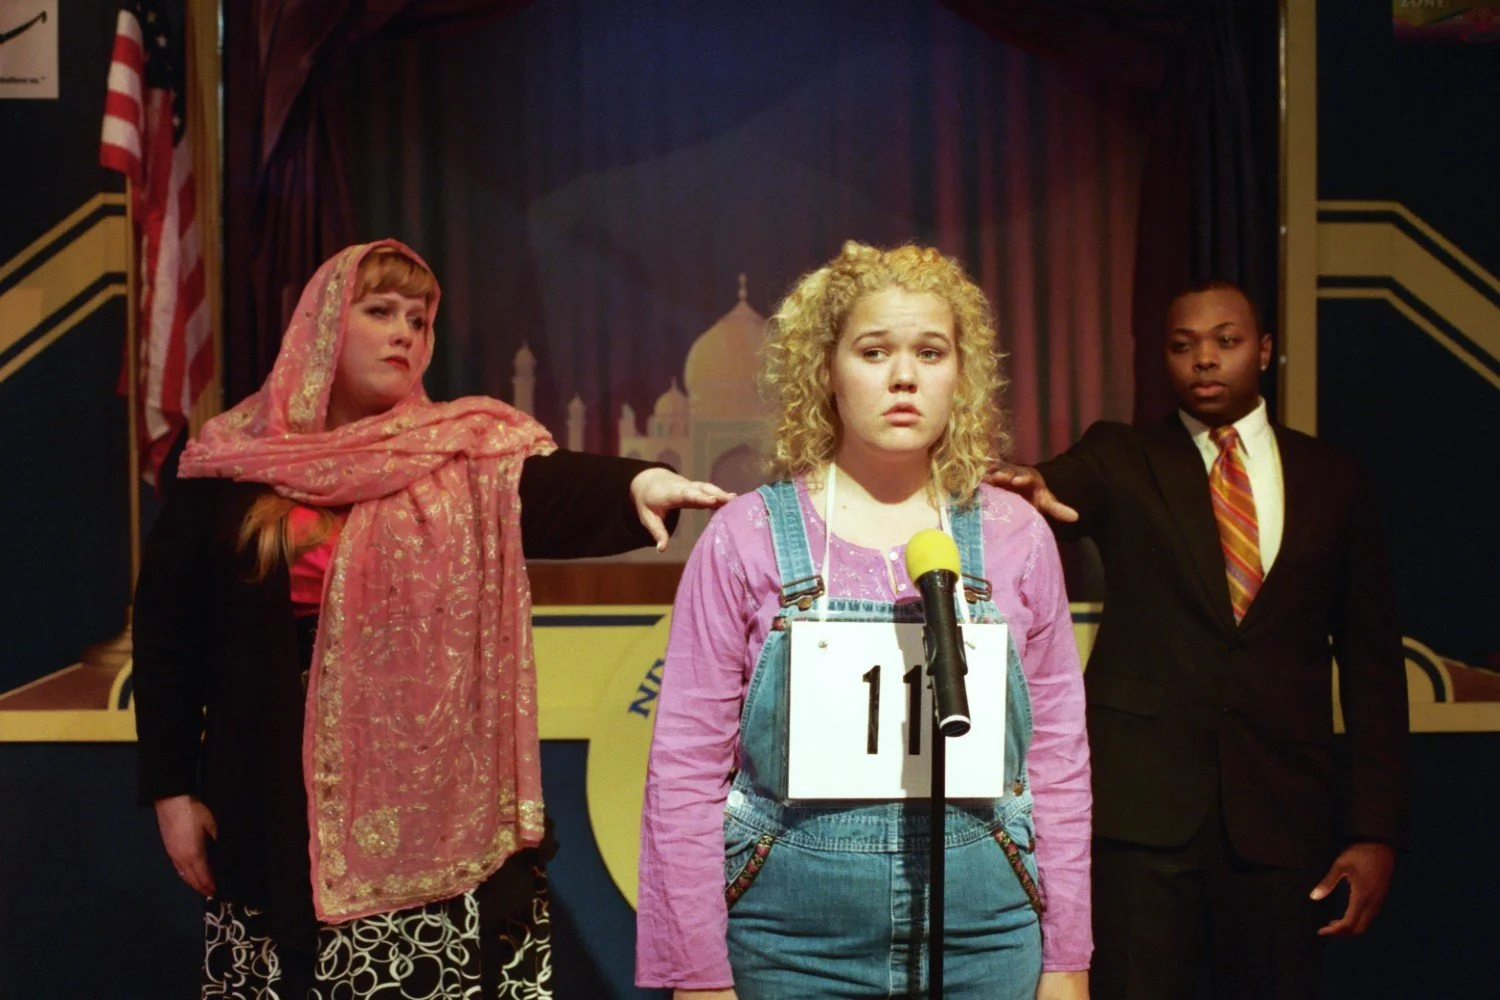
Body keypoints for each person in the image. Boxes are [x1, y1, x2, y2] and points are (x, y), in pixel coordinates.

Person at [132, 239, 731, 998]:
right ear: (321, 329)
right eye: (380, 311)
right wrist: (172, 791)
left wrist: (637, 484)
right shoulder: (229, 465)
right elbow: (166, 640)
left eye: (419, 319)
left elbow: (546, 488)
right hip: (271, 808)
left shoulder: (461, 455)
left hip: (436, 826)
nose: (405, 332)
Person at [635, 241, 1092, 1000]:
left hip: (986, 936)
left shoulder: (1016, 536)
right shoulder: (746, 536)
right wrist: (696, 973)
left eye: (931, 352)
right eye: (874, 351)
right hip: (791, 943)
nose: (904, 377)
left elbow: (1058, 765)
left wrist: (1067, 957)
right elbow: (684, 772)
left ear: (962, 375)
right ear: (826, 372)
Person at [995, 280, 1409, 999]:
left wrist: (1375, 831)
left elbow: (1374, 668)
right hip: (1143, 815)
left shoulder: (1333, 478)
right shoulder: (1122, 454)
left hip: (1284, 816)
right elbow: (1065, 481)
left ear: (1266, 350)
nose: (1204, 361)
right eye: (1182, 346)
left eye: (1226, 341)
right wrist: (1033, 484)